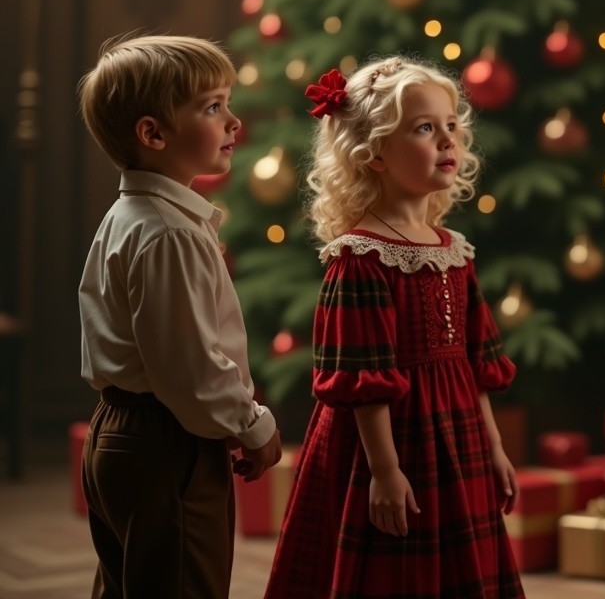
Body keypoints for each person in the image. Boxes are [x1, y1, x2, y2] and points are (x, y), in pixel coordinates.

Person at [263, 57, 524, 599]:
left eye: (451, 125)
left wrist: (494, 445)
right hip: (386, 441)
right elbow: (362, 376)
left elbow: (478, 363)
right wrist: (384, 470)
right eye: (425, 128)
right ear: (374, 152)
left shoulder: (453, 250)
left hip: (459, 434)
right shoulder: (359, 258)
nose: (447, 140)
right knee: (395, 570)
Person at [77, 34, 283, 599]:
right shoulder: (169, 234)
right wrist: (253, 425)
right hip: (166, 443)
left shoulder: (129, 216)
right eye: (213, 107)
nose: (233, 122)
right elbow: (189, 369)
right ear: (153, 133)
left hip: (118, 430)